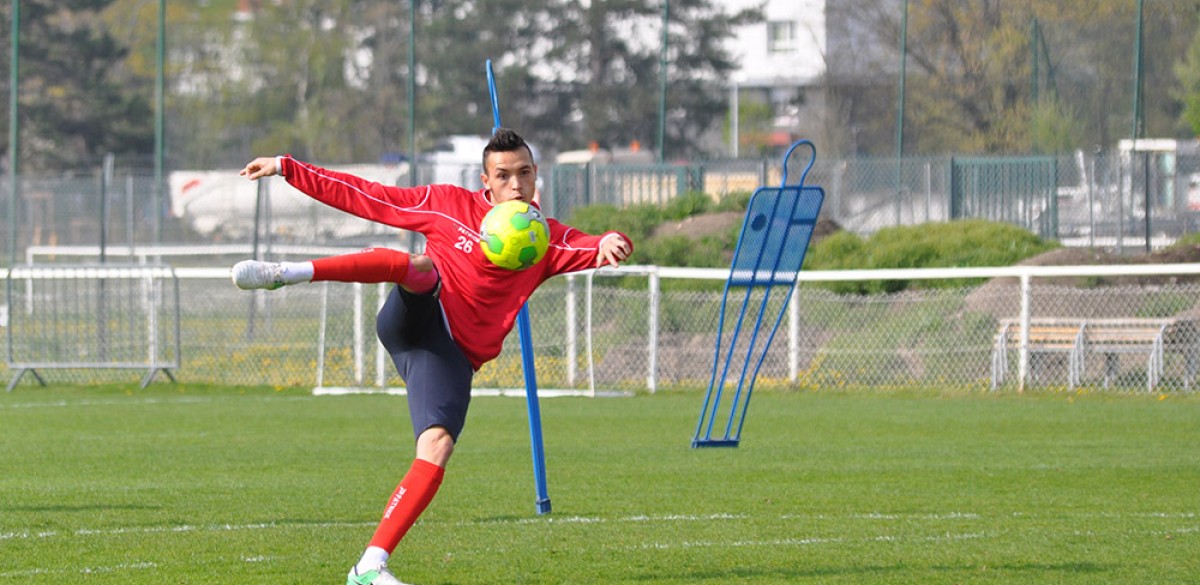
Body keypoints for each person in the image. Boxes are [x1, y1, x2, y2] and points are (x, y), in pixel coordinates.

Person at [231, 128, 632, 585]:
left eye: (524, 173)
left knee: (437, 446)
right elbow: (367, 196)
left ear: (536, 175)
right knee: (421, 269)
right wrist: (289, 168)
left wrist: (611, 242)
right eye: (503, 176)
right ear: (486, 182)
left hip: (449, 356)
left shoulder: (545, 240)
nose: (515, 185)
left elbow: (599, 242)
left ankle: (368, 566)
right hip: (414, 316)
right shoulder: (446, 204)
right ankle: (288, 273)